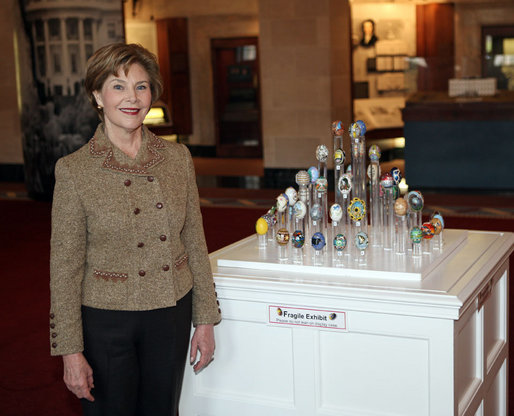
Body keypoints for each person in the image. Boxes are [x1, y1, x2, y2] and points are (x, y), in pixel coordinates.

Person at [49, 43, 221, 415]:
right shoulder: (74, 171)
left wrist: (205, 319)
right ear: (97, 95)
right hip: (106, 321)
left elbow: (194, 240)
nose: (132, 98)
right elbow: (64, 269)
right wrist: (70, 351)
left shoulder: (177, 159)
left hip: (170, 313)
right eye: (118, 86)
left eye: (141, 87)